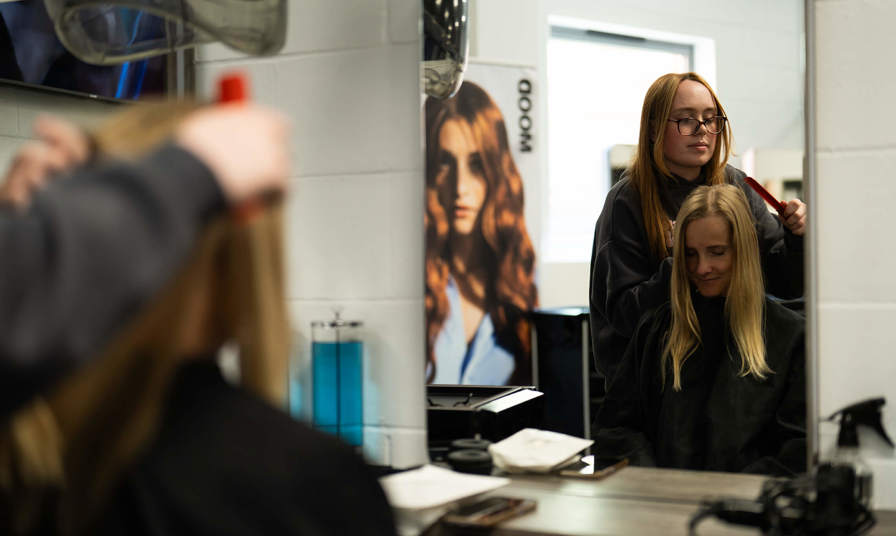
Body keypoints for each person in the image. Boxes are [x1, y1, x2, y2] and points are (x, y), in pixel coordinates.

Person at [589, 72, 806, 384]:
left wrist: (796, 236)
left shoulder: (738, 186)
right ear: (653, 129)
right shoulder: (627, 201)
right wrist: (678, 264)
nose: (702, 130)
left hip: (727, 376)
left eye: (710, 118)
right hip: (652, 385)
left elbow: (783, 283)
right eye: (686, 120)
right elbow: (625, 316)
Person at [594, 184, 806, 475]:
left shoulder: (789, 337)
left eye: (716, 252)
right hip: (663, 506)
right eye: (691, 254)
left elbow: (797, 449)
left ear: (743, 251)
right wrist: (659, 485)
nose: (702, 267)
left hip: (745, 511)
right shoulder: (657, 331)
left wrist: (727, 499)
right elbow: (616, 431)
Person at [424, 81, 537, 385]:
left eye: (476, 165)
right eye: (446, 162)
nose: (460, 188)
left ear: (495, 172)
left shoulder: (520, 278)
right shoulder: (414, 281)